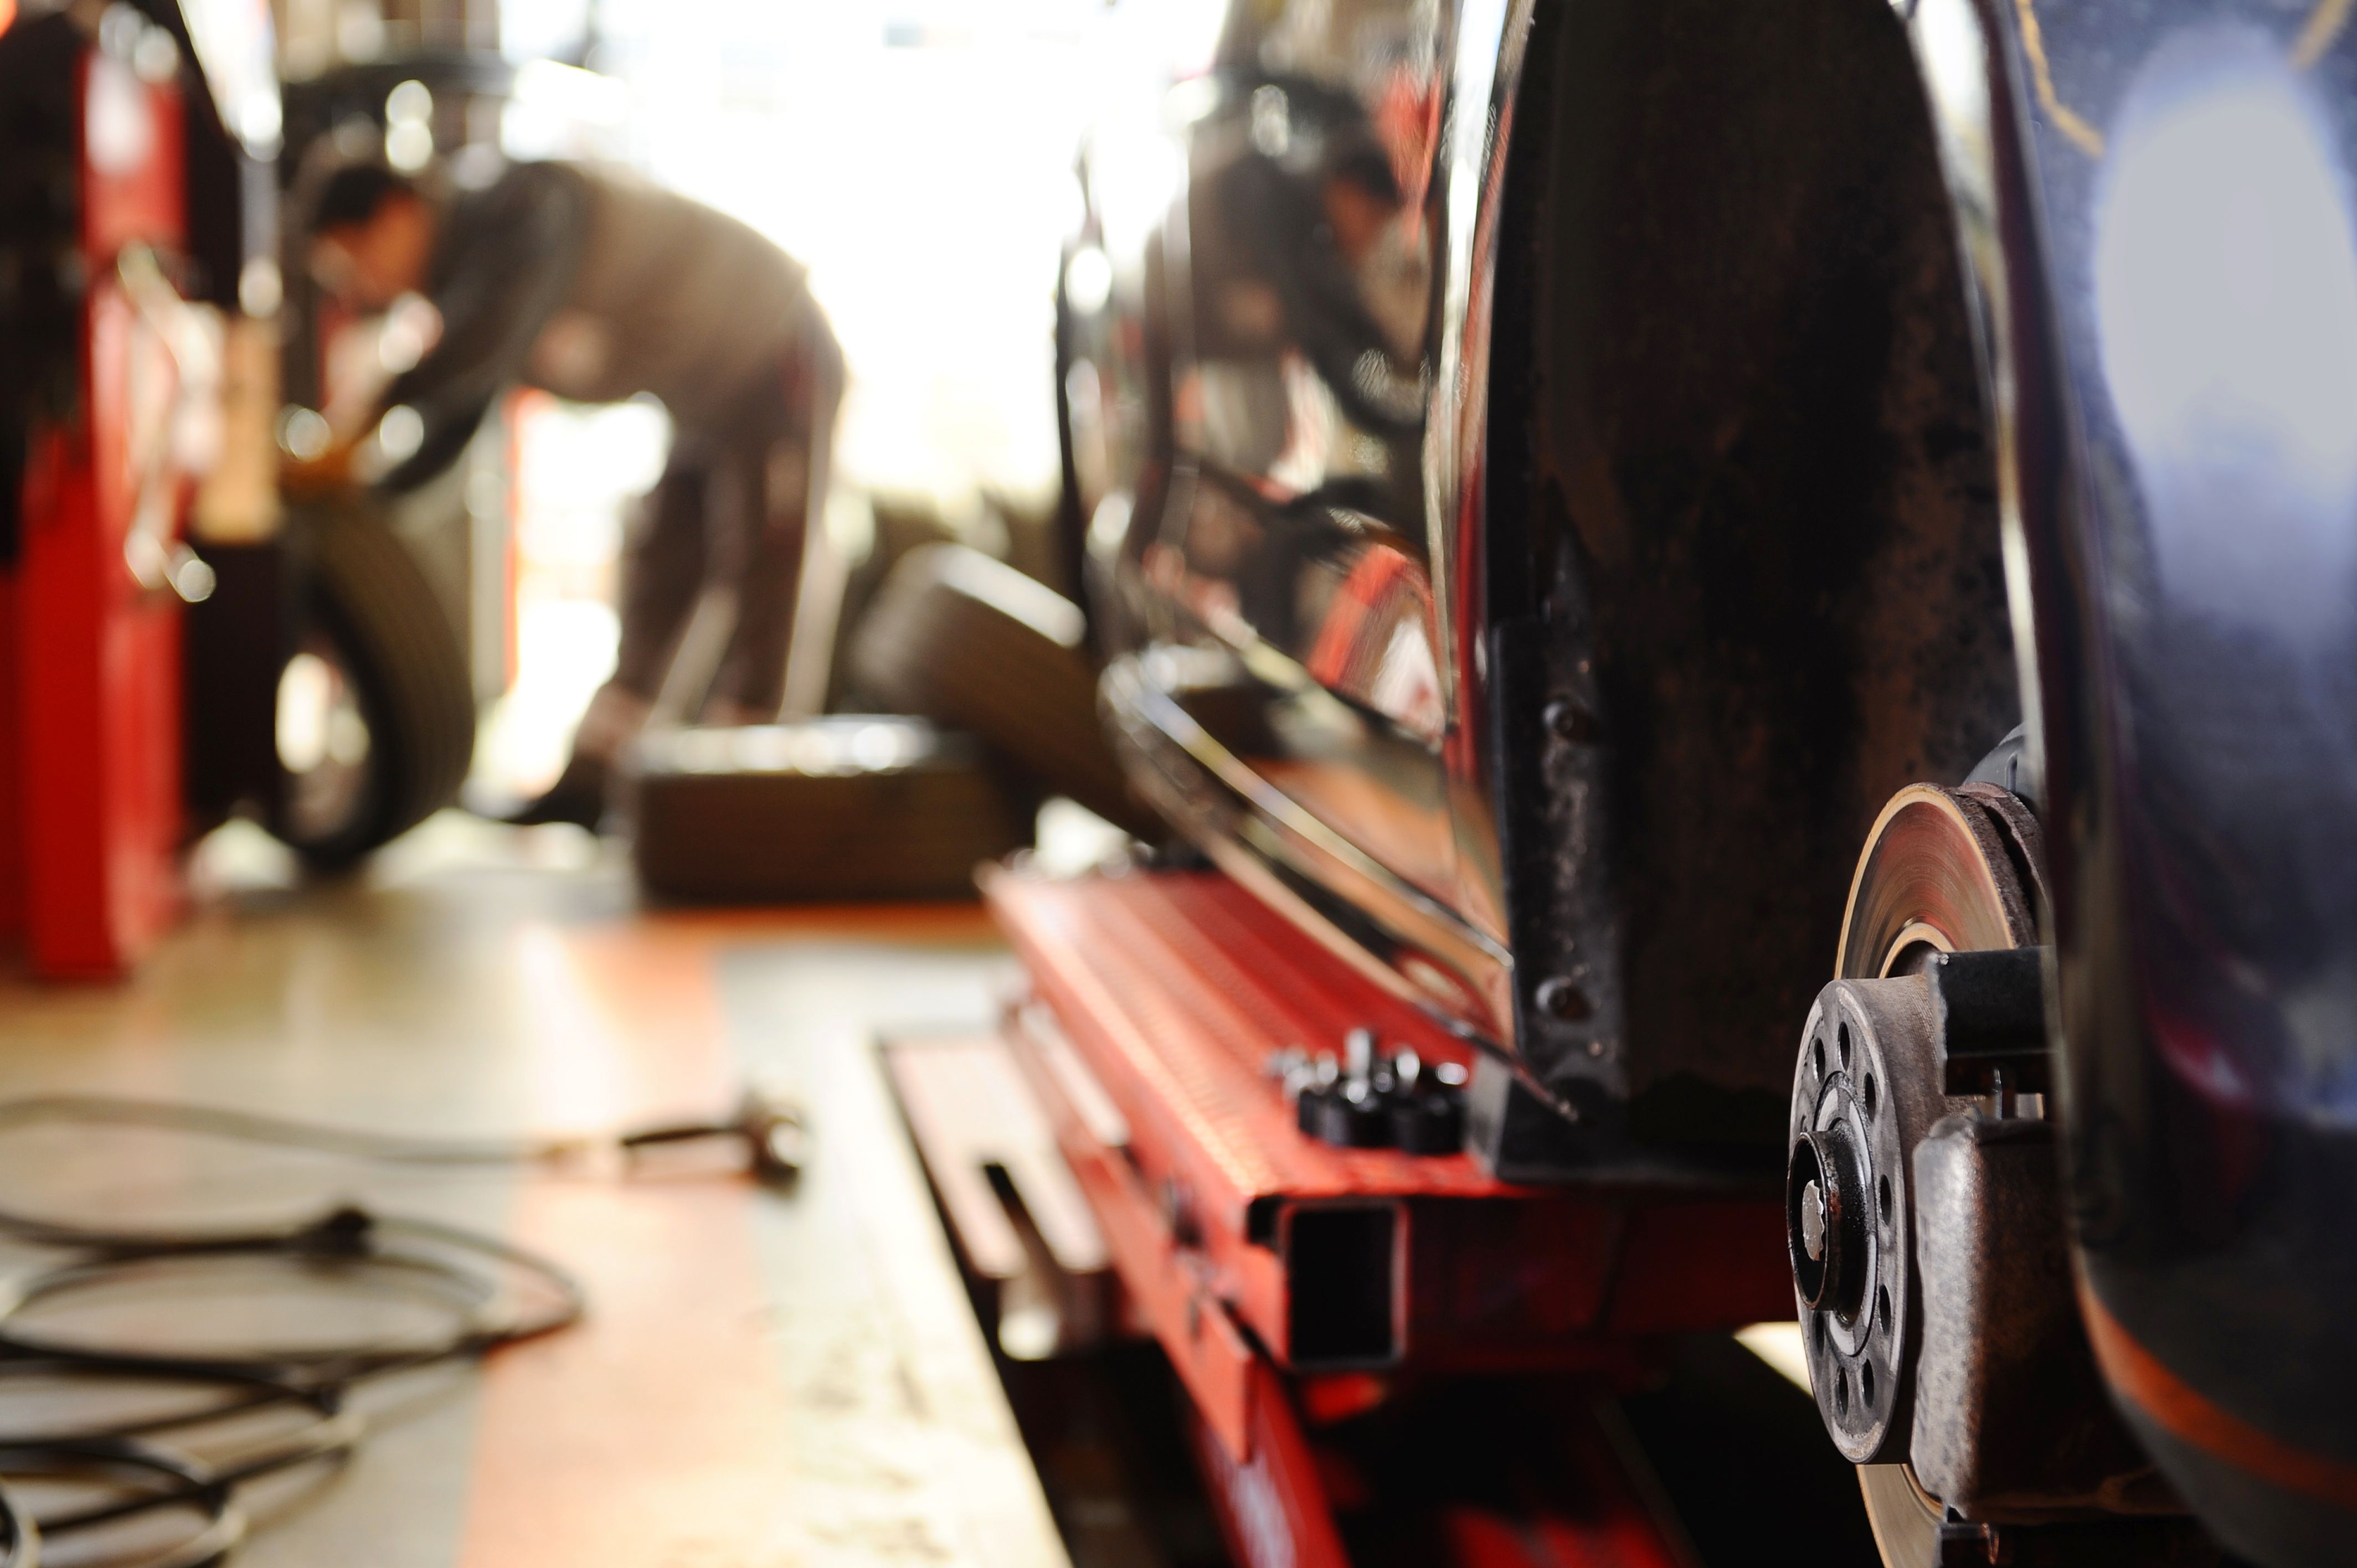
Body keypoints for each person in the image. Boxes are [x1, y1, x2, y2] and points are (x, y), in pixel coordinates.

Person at [303, 159, 843, 827]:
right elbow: (467, 401)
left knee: (768, 569)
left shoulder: (522, 204)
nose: (361, 288)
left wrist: (367, 416)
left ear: (394, 212)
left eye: (352, 262)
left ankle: (755, 804)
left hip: (773, 345)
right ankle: (592, 789)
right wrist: (369, 493)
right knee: (661, 571)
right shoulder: (473, 283)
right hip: (702, 395)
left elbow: (484, 339)